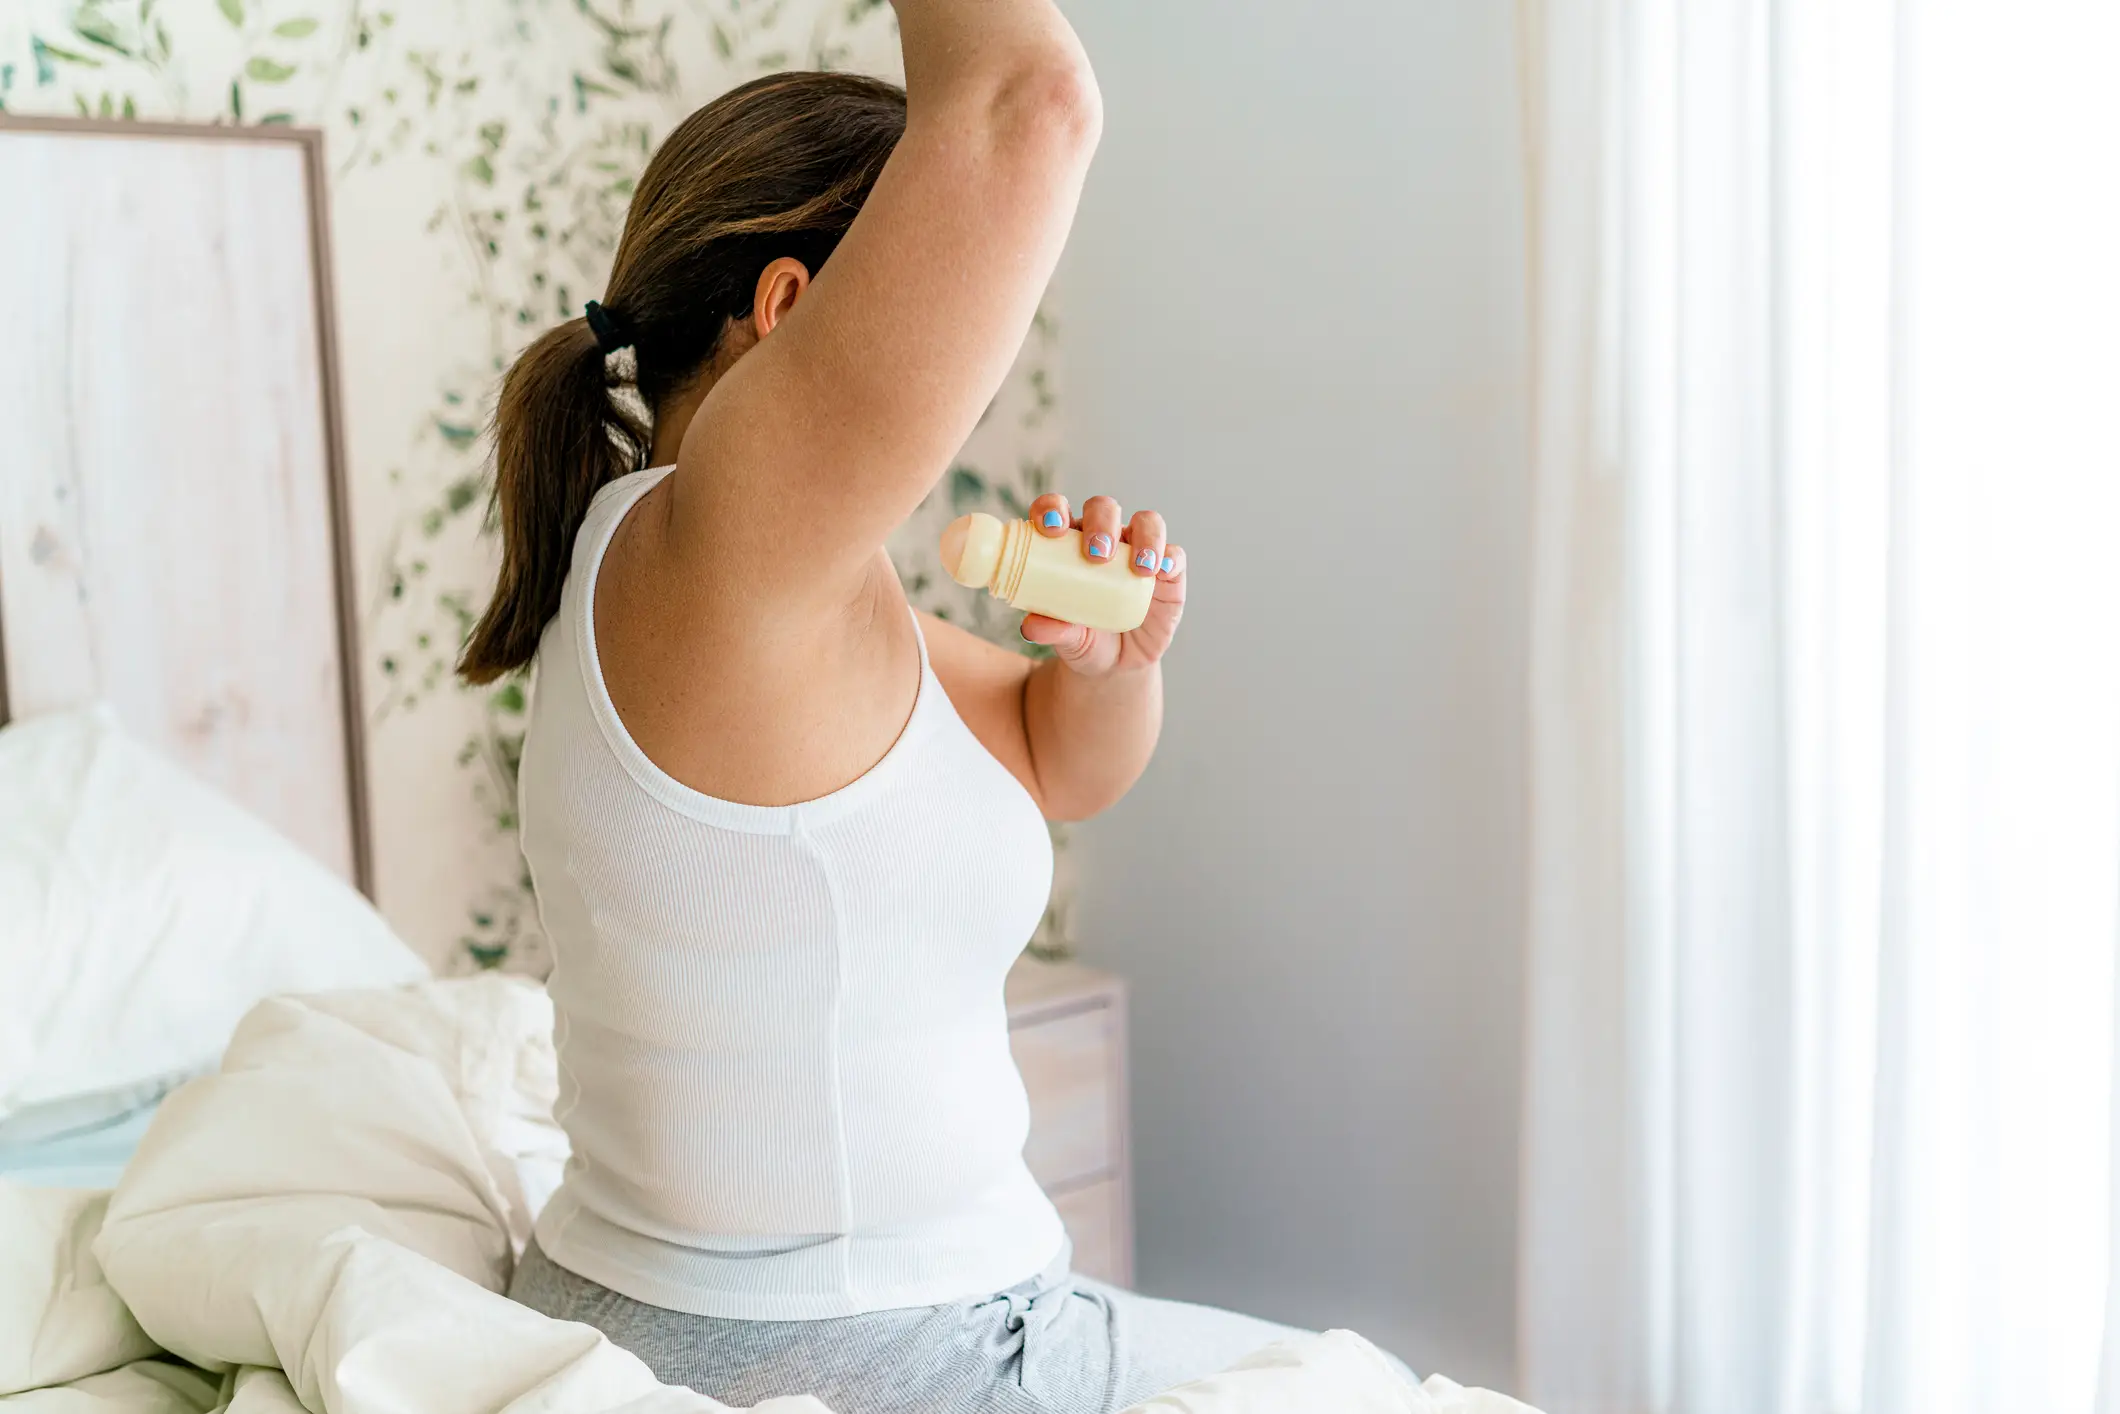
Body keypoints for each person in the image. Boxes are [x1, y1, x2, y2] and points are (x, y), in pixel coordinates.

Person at [458, 4, 1328, 1409]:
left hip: (804, 1313)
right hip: (859, 1345)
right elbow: (1025, 100)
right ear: (797, 308)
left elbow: (1057, 755)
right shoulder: (715, 542)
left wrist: (1118, 660)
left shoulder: (756, 591)